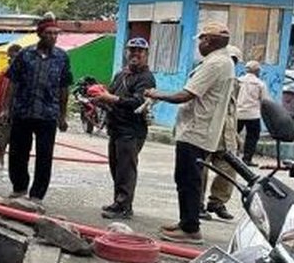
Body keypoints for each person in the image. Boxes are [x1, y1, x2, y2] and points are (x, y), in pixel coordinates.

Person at [146, 22, 237, 243]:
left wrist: (156, 94)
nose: (199, 44)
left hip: (197, 131)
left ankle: (190, 228)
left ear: (209, 41)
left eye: (201, 40)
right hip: (198, 130)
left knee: (189, 179)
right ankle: (186, 221)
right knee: (187, 178)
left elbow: (186, 95)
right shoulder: (221, 62)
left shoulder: (215, 63)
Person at [5, 13, 73, 203]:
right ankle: (19, 187)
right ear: (40, 34)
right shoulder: (24, 55)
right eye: (49, 33)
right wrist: (5, 109)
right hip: (23, 111)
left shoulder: (62, 57)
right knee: (18, 153)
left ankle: (37, 194)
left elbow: (64, 87)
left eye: (56, 34)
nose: (53, 37)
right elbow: (13, 83)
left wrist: (62, 115)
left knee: (44, 156)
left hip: (48, 115)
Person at [92, 38, 156, 220]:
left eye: (139, 51)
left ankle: (124, 206)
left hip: (132, 130)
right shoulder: (121, 75)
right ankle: (119, 202)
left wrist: (111, 99)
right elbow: (110, 95)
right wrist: (99, 100)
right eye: (132, 50)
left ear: (145, 55)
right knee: (116, 167)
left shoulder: (146, 78)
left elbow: (138, 101)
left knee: (126, 169)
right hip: (116, 128)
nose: (135, 54)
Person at [201, 46, 244, 221]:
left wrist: (236, 136)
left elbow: (233, 111)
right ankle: (197, 204)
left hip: (226, 133)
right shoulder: (208, 74)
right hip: (207, 130)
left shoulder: (236, 83)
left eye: (234, 61)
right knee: (200, 169)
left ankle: (217, 202)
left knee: (229, 168)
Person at [0, 44, 24, 167]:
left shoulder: (25, 74)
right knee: (2, 137)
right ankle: (1, 160)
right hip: (5, 111)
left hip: (20, 111)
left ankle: (15, 163)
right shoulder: (4, 73)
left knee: (18, 139)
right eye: (11, 57)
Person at [236, 60, 268, 165]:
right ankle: (247, 158)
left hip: (238, 113)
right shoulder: (260, 84)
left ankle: (231, 156)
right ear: (257, 71)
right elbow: (264, 100)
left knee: (233, 135)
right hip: (253, 114)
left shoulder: (238, 81)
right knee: (252, 137)